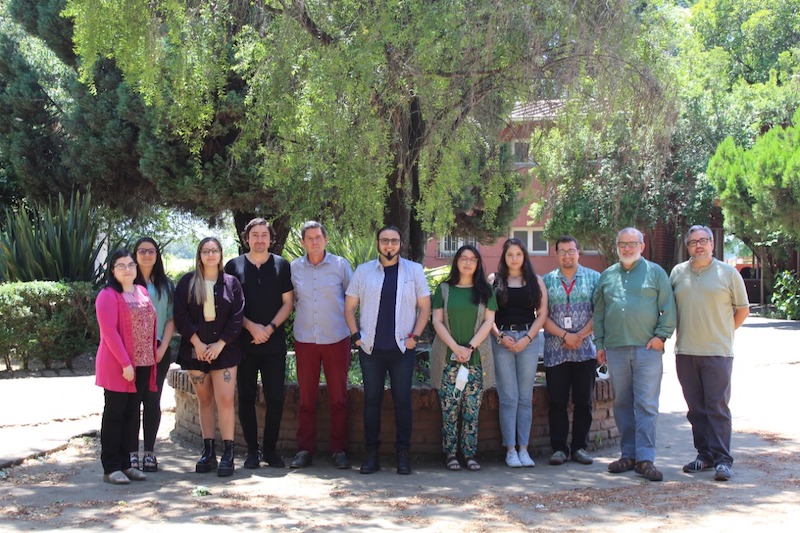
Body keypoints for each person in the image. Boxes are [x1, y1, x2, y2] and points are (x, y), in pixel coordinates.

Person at [344, 225, 431, 475]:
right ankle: (371, 456)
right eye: (384, 241)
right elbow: (349, 307)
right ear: (378, 243)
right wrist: (356, 337)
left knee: (403, 402)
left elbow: (425, 307)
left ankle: (403, 456)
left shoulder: (414, 271)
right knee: (371, 402)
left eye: (394, 241)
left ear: (400, 244)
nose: (389, 245)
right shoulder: (363, 272)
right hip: (370, 349)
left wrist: (414, 337)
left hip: (402, 350)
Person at [593, 227, 676, 482]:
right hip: (616, 350)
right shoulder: (607, 276)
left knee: (647, 404)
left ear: (642, 245)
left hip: (647, 350)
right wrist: (600, 344)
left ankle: (645, 459)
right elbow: (599, 312)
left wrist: (661, 337)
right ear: (616, 247)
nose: (627, 248)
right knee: (622, 404)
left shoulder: (655, 272)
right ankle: (628, 455)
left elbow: (668, 307)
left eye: (632, 244)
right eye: (622, 244)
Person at [670, 225, 749, 482]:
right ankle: (704, 456)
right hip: (685, 352)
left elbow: (742, 310)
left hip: (717, 353)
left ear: (712, 244)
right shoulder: (678, 273)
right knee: (696, 409)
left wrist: (723, 332)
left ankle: (723, 461)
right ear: (688, 246)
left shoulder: (728, 274)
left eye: (703, 241)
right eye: (693, 242)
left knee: (717, 407)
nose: (698, 246)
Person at [224, 218, 294, 469]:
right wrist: (251, 327)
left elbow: (288, 302)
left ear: (271, 239)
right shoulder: (233, 266)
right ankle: (252, 451)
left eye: (264, 235)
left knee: (276, 397)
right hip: (244, 343)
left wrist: (270, 328)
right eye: (255, 235)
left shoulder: (282, 266)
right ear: (247, 238)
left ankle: (271, 451)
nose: (260, 239)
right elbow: (229, 306)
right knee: (246, 397)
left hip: (274, 344)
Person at [174, 237, 244, 477]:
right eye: (206, 251)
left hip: (225, 351)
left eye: (214, 251)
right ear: (199, 255)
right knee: (204, 400)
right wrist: (198, 343)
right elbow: (180, 316)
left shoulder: (231, 283)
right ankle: (208, 452)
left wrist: (219, 344)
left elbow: (237, 317)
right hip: (196, 351)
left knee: (225, 400)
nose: (210, 255)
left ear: (221, 254)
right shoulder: (187, 282)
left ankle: (228, 454)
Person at [289, 221, 353, 469]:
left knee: (338, 398)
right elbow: (290, 300)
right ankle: (304, 449)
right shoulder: (295, 268)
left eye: (318, 237)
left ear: (326, 240)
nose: (314, 242)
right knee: (306, 399)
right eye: (309, 238)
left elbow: (352, 299)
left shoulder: (340, 266)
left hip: (337, 338)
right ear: (303, 242)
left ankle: (339, 450)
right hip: (305, 340)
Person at [430, 245, 497, 472]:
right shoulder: (444, 289)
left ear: (478, 264)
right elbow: (437, 321)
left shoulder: (485, 291)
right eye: (463, 258)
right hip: (448, 361)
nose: (468, 263)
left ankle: (469, 454)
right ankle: (450, 454)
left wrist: (468, 347)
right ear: (456, 261)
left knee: (471, 411)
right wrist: (455, 348)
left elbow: (489, 322)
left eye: (473, 259)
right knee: (449, 410)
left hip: (475, 361)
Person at [95, 249, 156, 485]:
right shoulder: (108, 295)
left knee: (132, 415)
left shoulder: (141, 291)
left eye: (130, 265)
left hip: (142, 364)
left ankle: (128, 464)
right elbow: (109, 333)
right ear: (113, 270)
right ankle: (111, 467)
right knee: (115, 414)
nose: (127, 269)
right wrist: (125, 363)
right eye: (121, 266)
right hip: (118, 365)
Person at [542, 236, 601, 466]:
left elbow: (599, 313)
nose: (567, 255)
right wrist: (566, 336)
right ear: (556, 255)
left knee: (583, 400)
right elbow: (542, 316)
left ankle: (579, 447)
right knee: (556, 401)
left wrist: (579, 336)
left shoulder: (594, 278)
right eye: (562, 251)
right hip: (556, 350)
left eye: (571, 251)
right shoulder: (546, 281)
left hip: (585, 350)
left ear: (579, 253)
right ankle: (558, 448)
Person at [490, 237, 548, 468]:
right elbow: (488, 318)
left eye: (518, 254)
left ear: (524, 256)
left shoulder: (536, 281)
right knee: (508, 398)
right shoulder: (494, 281)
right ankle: (510, 450)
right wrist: (501, 337)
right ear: (504, 257)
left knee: (525, 398)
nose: (514, 258)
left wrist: (527, 339)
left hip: (528, 341)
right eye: (509, 254)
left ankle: (524, 449)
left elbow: (541, 315)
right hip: (501, 340)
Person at [129, 237, 175, 473]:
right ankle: (131, 452)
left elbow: (170, 319)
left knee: (152, 401)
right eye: (142, 251)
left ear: (157, 255)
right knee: (132, 401)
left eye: (152, 251)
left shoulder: (166, 286)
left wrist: (162, 348)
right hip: (131, 353)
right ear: (135, 255)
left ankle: (149, 452)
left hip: (158, 350)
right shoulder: (126, 283)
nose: (147, 255)